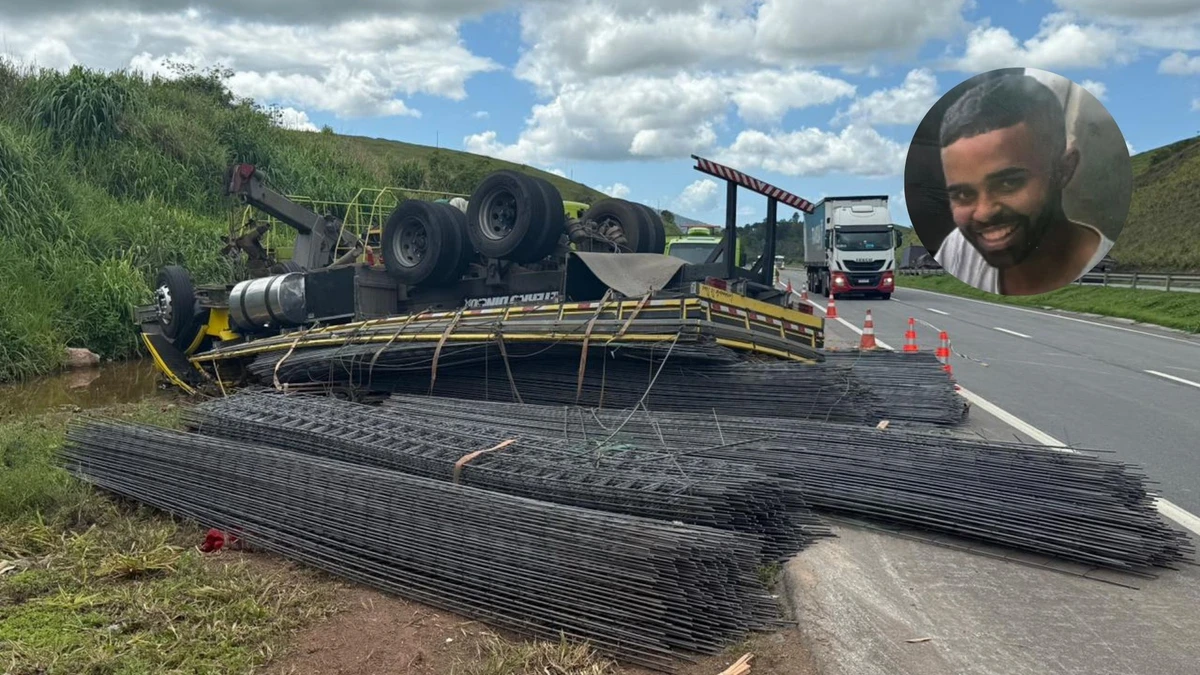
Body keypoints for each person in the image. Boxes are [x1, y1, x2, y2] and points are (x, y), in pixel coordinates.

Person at [933, 73, 1113, 295]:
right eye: (962, 195)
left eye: (1008, 183)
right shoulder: (958, 248)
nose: (984, 213)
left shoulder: (1103, 273)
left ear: (1064, 170)